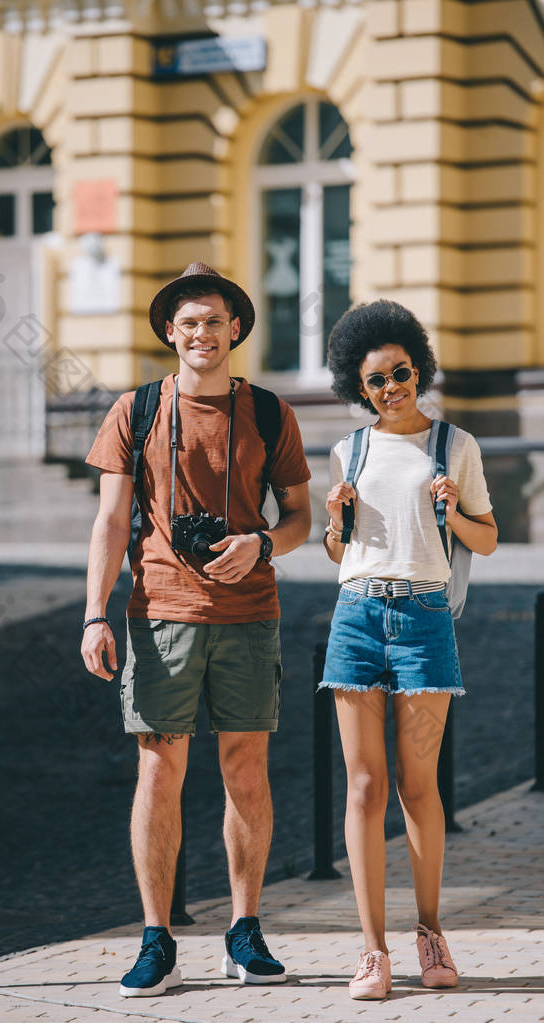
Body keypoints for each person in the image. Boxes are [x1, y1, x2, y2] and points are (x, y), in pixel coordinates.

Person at [81, 262, 312, 997]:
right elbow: (111, 520)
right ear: (169, 334)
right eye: (188, 323)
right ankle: (157, 938)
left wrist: (263, 543)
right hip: (159, 613)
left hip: (249, 612)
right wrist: (94, 612)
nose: (202, 333)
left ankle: (244, 931)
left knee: (246, 770)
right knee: (159, 770)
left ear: (234, 328)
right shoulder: (135, 409)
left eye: (214, 320)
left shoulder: (271, 411)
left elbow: (304, 516)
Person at [320, 299, 497, 1000]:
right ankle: (371, 950)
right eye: (374, 380)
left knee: (415, 784)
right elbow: (338, 549)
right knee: (362, 786)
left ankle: (429, 932)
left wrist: (452, 508)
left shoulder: (455, 444)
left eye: (399, 372)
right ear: (356, 387)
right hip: (356, 613)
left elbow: (484, 538)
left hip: (423, 618)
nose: (389, 387)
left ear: (417, 369)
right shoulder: (348, 450)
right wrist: (335, 521)